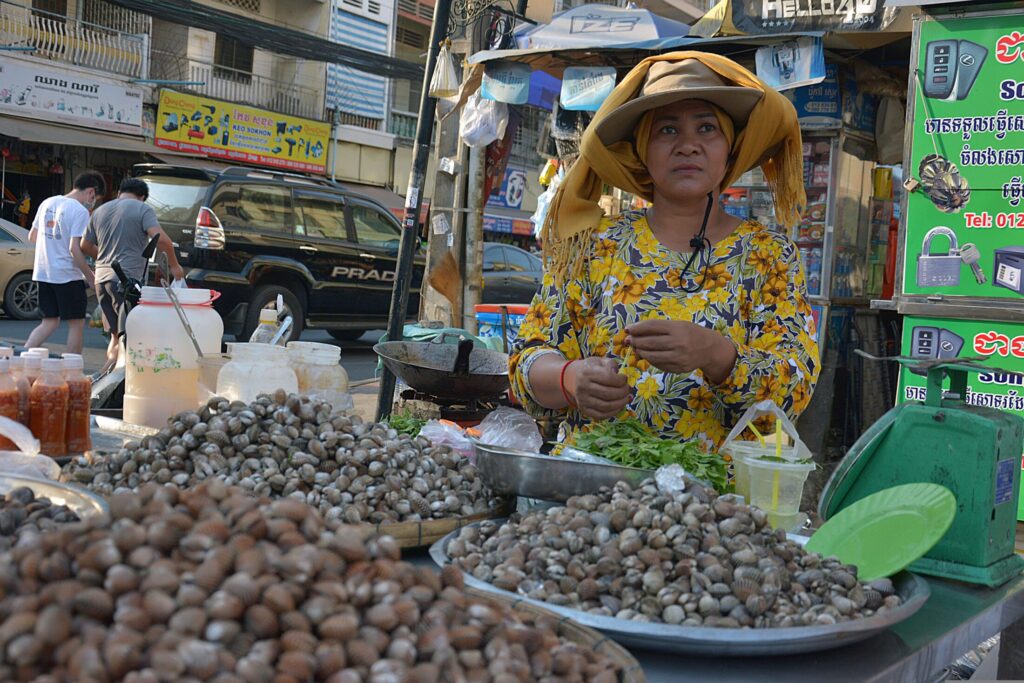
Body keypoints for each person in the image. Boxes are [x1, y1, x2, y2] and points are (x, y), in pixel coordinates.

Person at [510, 53, 820, 451]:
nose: (688, 145)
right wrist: (570, 379)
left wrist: (715, 354)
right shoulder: (593, 247)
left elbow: (795, 386)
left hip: (718, 501)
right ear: (642, 150)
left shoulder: (769, 256)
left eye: (707, 128)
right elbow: (525, 361)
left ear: (729, 149)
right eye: (667, 130)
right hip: (590, 493)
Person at [81, 177, 184, 371]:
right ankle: (105, 383)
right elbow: (160, 238)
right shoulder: (142, 209)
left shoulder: (100, 211)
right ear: (142, 196)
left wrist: (105, 260)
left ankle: (104, 381)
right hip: (125, 283)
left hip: (102, 281)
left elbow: (84, 245)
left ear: (120, 192)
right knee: (129, 336)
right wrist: (174, 265)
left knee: (115, 336)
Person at [25, 171, 104, 355]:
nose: (94, 203)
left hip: (44, 272)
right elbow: (74, 249)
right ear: (91, 192)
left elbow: (32, 237)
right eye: (96, 199)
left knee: (49, 321)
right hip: (68, 275)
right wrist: (90, 277)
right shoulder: (79, 211)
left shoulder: (47, 202)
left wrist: (52, 245)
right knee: (76, 324)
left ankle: (23, 358)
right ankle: (71, 371)